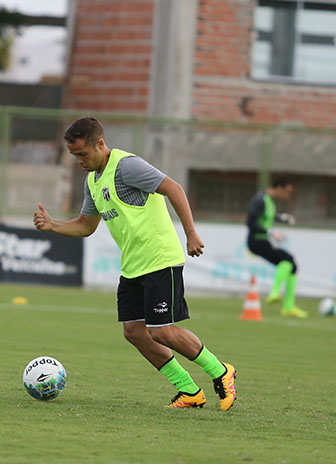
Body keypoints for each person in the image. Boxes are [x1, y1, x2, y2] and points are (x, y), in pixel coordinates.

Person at [33, 116, 236, 410]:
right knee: (134, 332)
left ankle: (221, 371)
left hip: (160, 259)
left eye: (82, 154)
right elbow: (86, 225)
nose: (79, 161)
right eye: (74, 155)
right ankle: (189, 391)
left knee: (162, 331)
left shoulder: (126, 166)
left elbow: (174, 189)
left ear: (100, 144)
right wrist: (53, 226)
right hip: (133, 266)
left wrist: (191, 233)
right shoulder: (93, 180)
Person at [246, 179, 306, 317]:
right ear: (279, 188)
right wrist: (270, 232)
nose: (287, 196)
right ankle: (275, 293)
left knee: (292, 265)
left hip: (263, 241)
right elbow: (250, 222)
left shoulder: (269, 201)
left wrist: (282, 218)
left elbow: (268, 217)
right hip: (256, 241)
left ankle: (288, 306)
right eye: (287, 192)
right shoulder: (260, 200)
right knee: (287, 259)